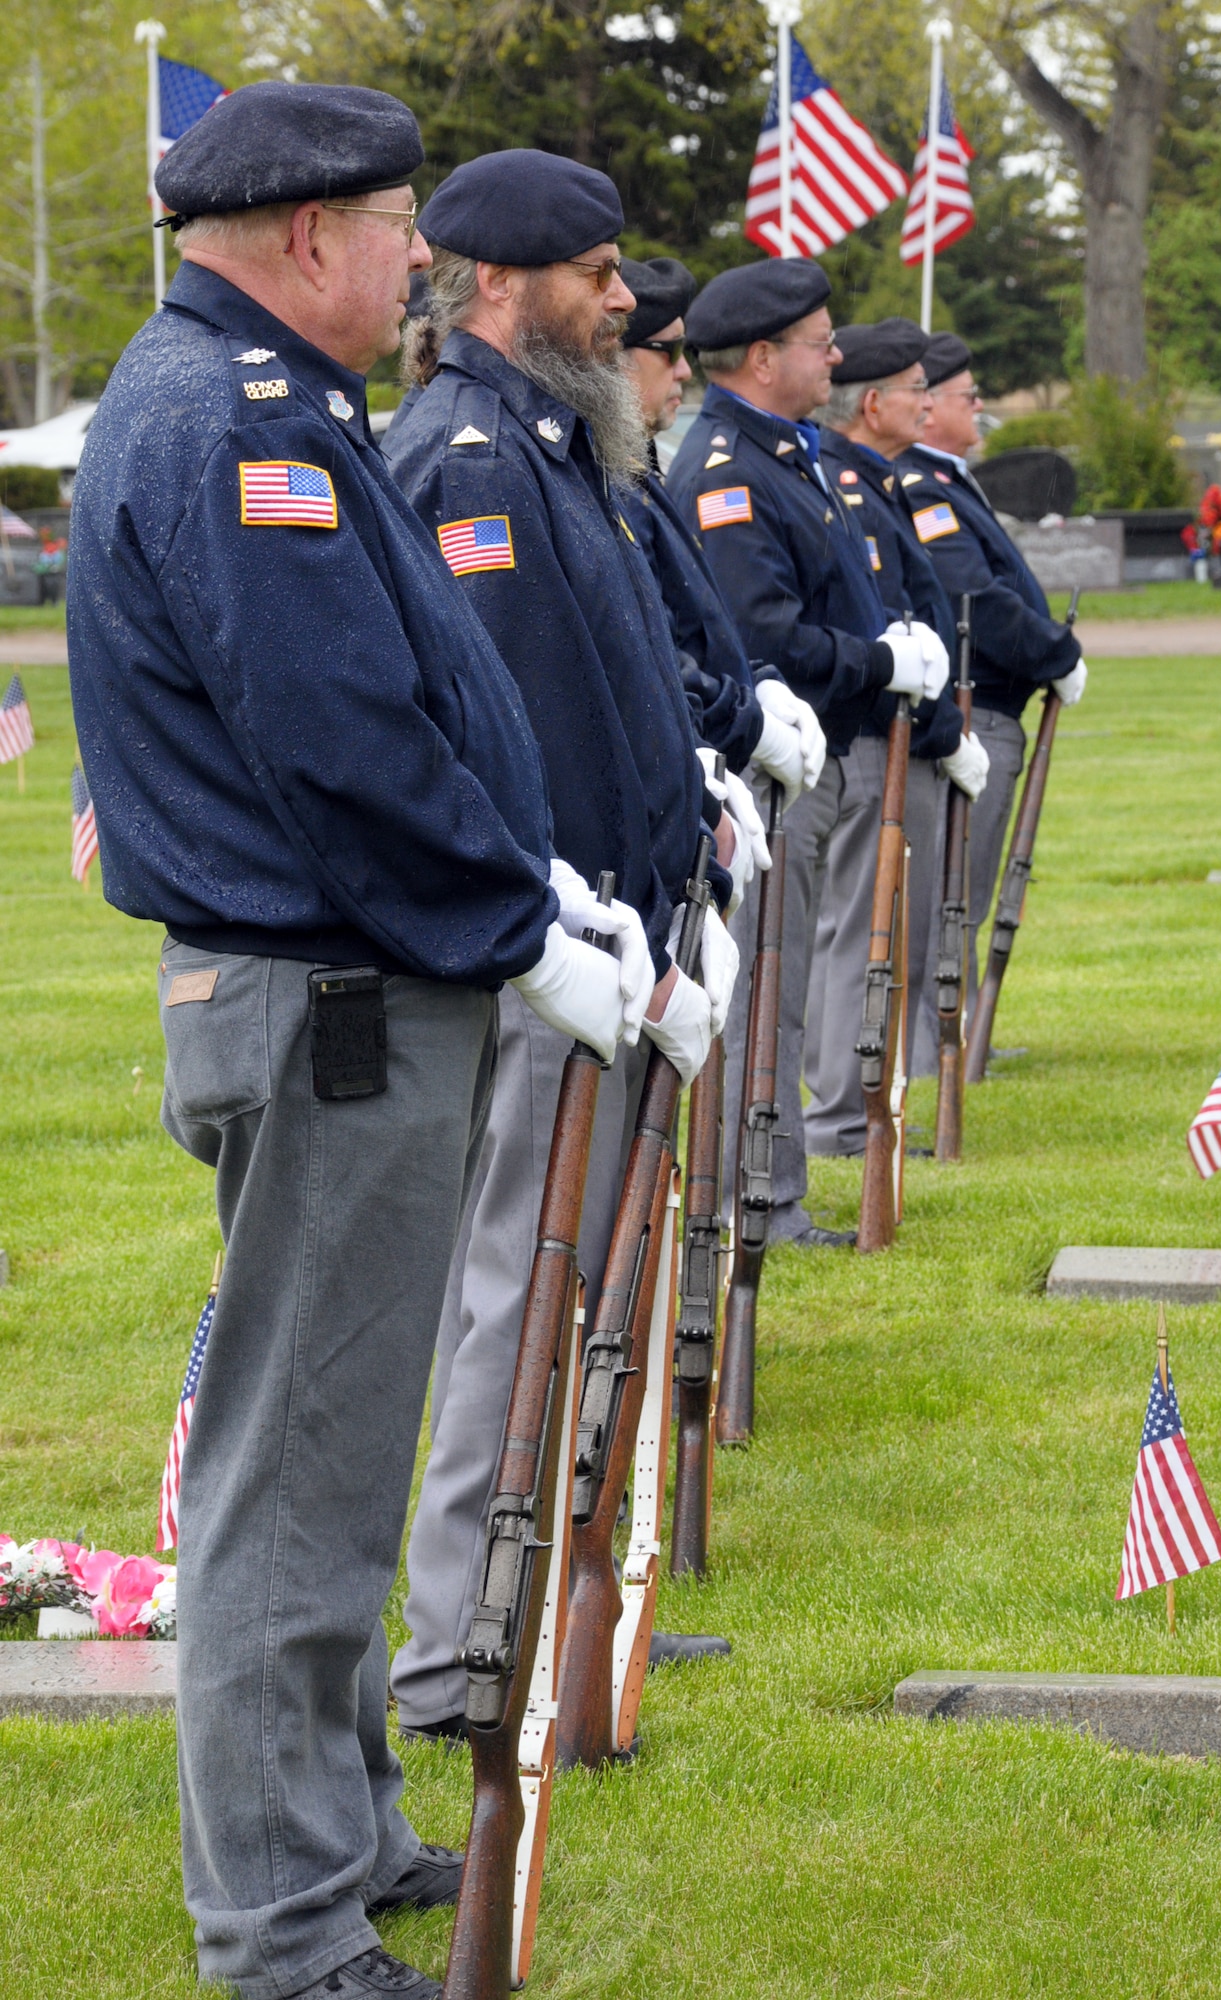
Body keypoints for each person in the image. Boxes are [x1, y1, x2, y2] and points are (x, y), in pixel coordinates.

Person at [67, 83, 649, 2000]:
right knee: (293, 1491)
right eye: (400, 224)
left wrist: (534, 886)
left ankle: (335, 1830)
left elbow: (394, 708)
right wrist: (512, 923)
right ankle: (282, 1932)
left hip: (348, 996)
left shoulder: (271, 403)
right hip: (325, 1008)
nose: (421, 258)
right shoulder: (238, 429)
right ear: (309, 236)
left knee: (335, 1447)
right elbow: (340, 745)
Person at [381, 152, 741, 1742]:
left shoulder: (553, 446)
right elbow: (517, 738)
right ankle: (465, 1645)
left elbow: (624, 695)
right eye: (597, 274)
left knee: (571, 1287)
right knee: (515, 1294)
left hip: (616, 939)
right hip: (551, 955)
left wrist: (691, 863)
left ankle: (548, 1606)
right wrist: (600, 924)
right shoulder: (474, 458)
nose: (623, 299)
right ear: (509, 284)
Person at [667, 260, 950, 1244]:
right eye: (816, 341)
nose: (834, 354)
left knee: (789, 980)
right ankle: (759, 1194)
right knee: (766, 990)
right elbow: (764, 634)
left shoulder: (782, 458)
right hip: (768, 761)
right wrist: (876, 660)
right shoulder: (725, 472)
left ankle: (772, 1185)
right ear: (759, 355)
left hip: (812, 751)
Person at [808, 320, 988, 1119]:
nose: (928, 403)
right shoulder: (849, 487)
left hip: (907, 733)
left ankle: (860, 1102)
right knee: (867, 934)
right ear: (873, 403)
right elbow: (882, 625)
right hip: (883, 737)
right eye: (917, 390)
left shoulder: (872, 483)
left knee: (890, 934)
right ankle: (846, 1110)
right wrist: (946, 732)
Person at [894, 331, 1086, 1002]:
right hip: (980, 711)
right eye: (968, 397)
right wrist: (1056, 652)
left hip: (997, 709)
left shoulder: (945, 479)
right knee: (955, 890)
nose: (980, 408)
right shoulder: (922, 485)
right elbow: (974, 598)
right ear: (931, 404)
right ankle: (945, 1036)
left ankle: (960, 1027)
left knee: (966, 887)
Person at [616, 255, 825, 807]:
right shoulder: (722, 470)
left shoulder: (632, 465)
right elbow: (644, 647)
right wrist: (745, 718)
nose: (686, 370)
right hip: (689, 763)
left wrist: (757, 681)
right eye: (669, 351)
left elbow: (697, 623)